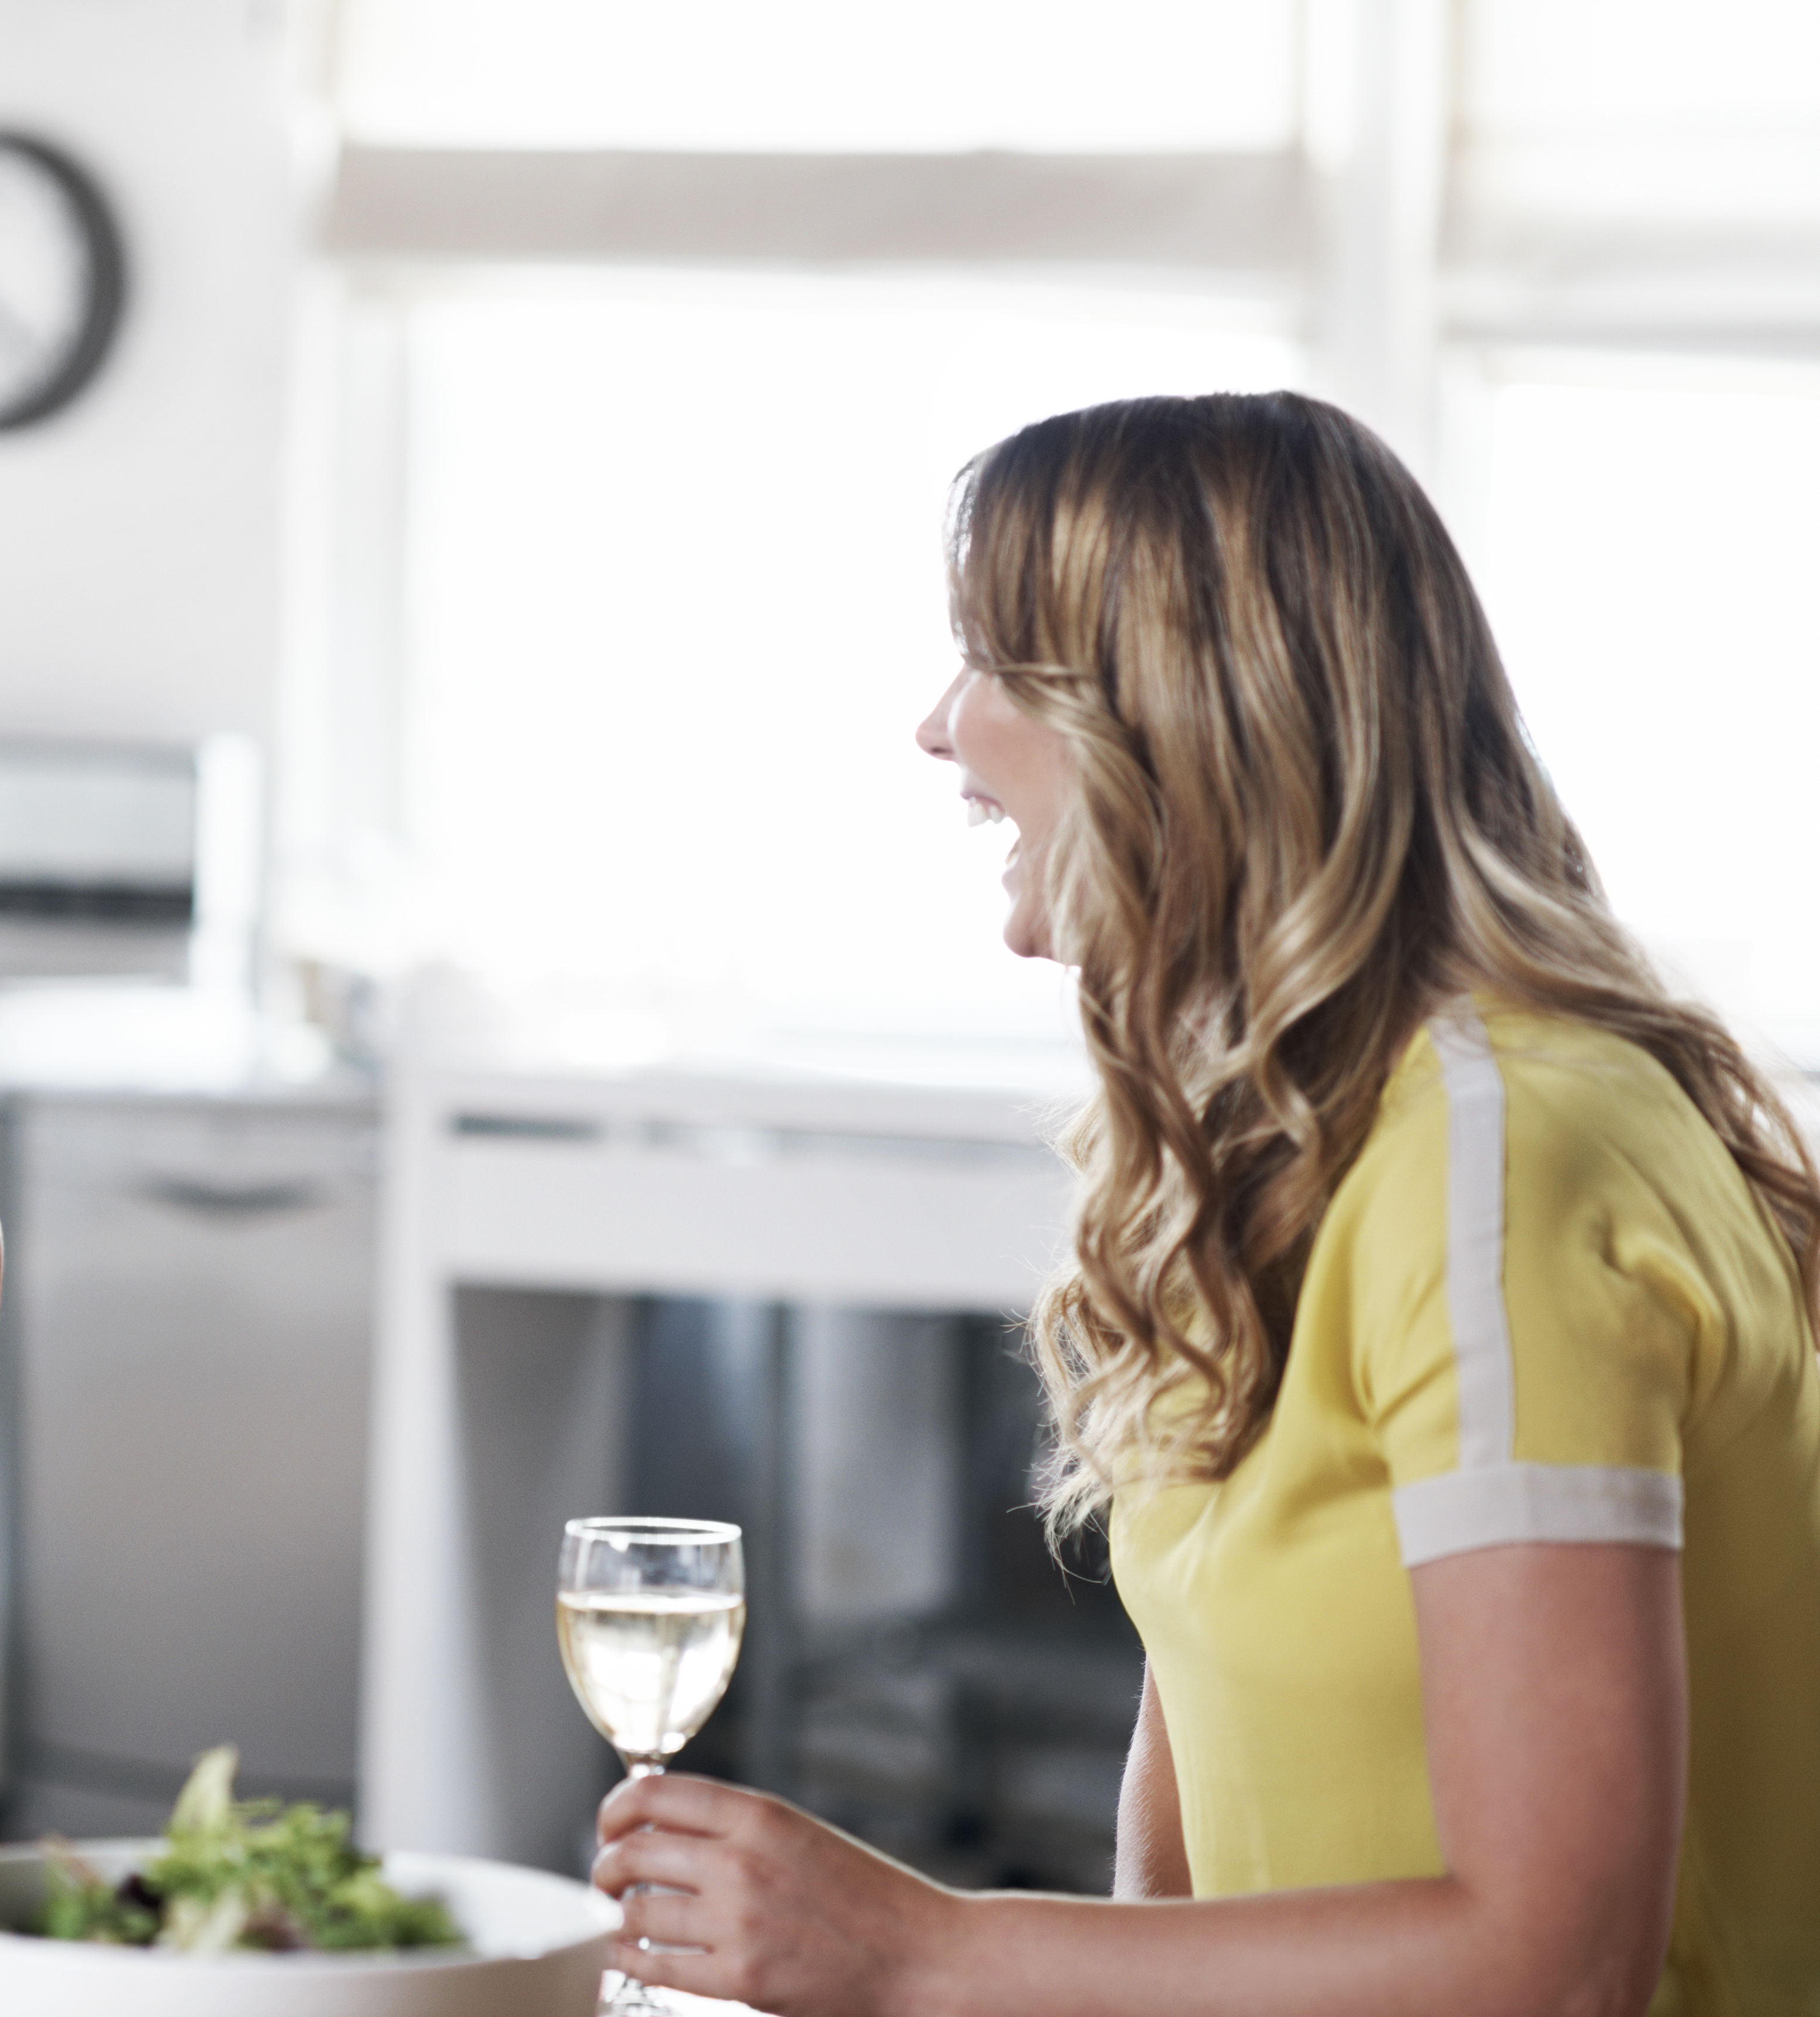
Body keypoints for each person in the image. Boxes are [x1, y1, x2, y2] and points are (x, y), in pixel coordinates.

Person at [592, 392, 1820, 2014]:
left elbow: (1556, 1959)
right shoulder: (1289, 1147)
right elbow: (1176, 1865)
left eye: (997, 662)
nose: (938, 725)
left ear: (1172, 714)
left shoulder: (1504, 1158)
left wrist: (918, 1948)